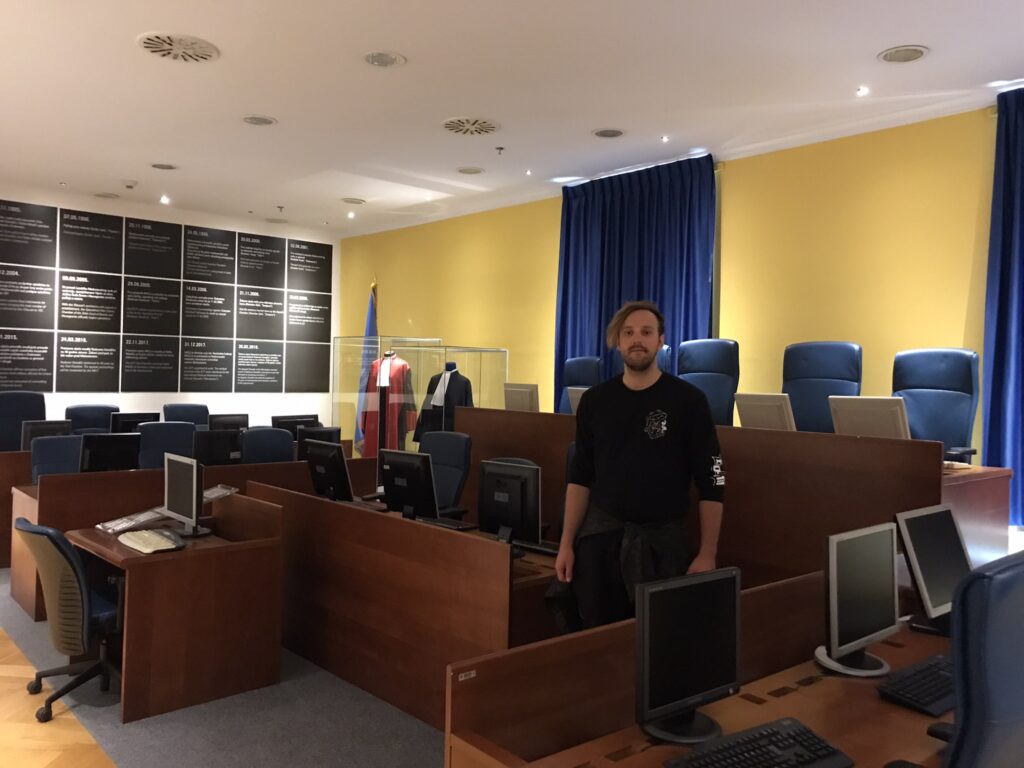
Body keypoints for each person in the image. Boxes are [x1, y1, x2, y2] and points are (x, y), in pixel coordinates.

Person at [555, 300, 725, 628]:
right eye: (629, 332)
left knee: (661, 645)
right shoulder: (595, 401)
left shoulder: (689, 402)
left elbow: (713, 482)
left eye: (647, 332)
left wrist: (707, 553)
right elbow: (579, 479)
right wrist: (566, 544)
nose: (637, 339)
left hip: (665, 548)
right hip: (601, 546)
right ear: (616, 341)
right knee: (600, 644)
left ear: (661, 339)